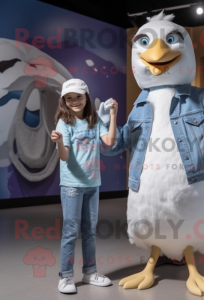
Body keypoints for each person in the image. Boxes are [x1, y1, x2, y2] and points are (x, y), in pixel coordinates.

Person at [51, 79, 118, 294]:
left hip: (92, 184)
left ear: (86, 96)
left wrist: (114, 115)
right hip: (72, 185)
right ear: (64, 101)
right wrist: (59, 141)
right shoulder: (64, 122)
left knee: (89, 231)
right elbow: (64, 157)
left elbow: (109, 141)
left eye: (78, 96)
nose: (74, 101)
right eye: (69, 98)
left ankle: (90, 272)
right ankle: (66, 276)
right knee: (71, 231)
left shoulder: (94, 120)